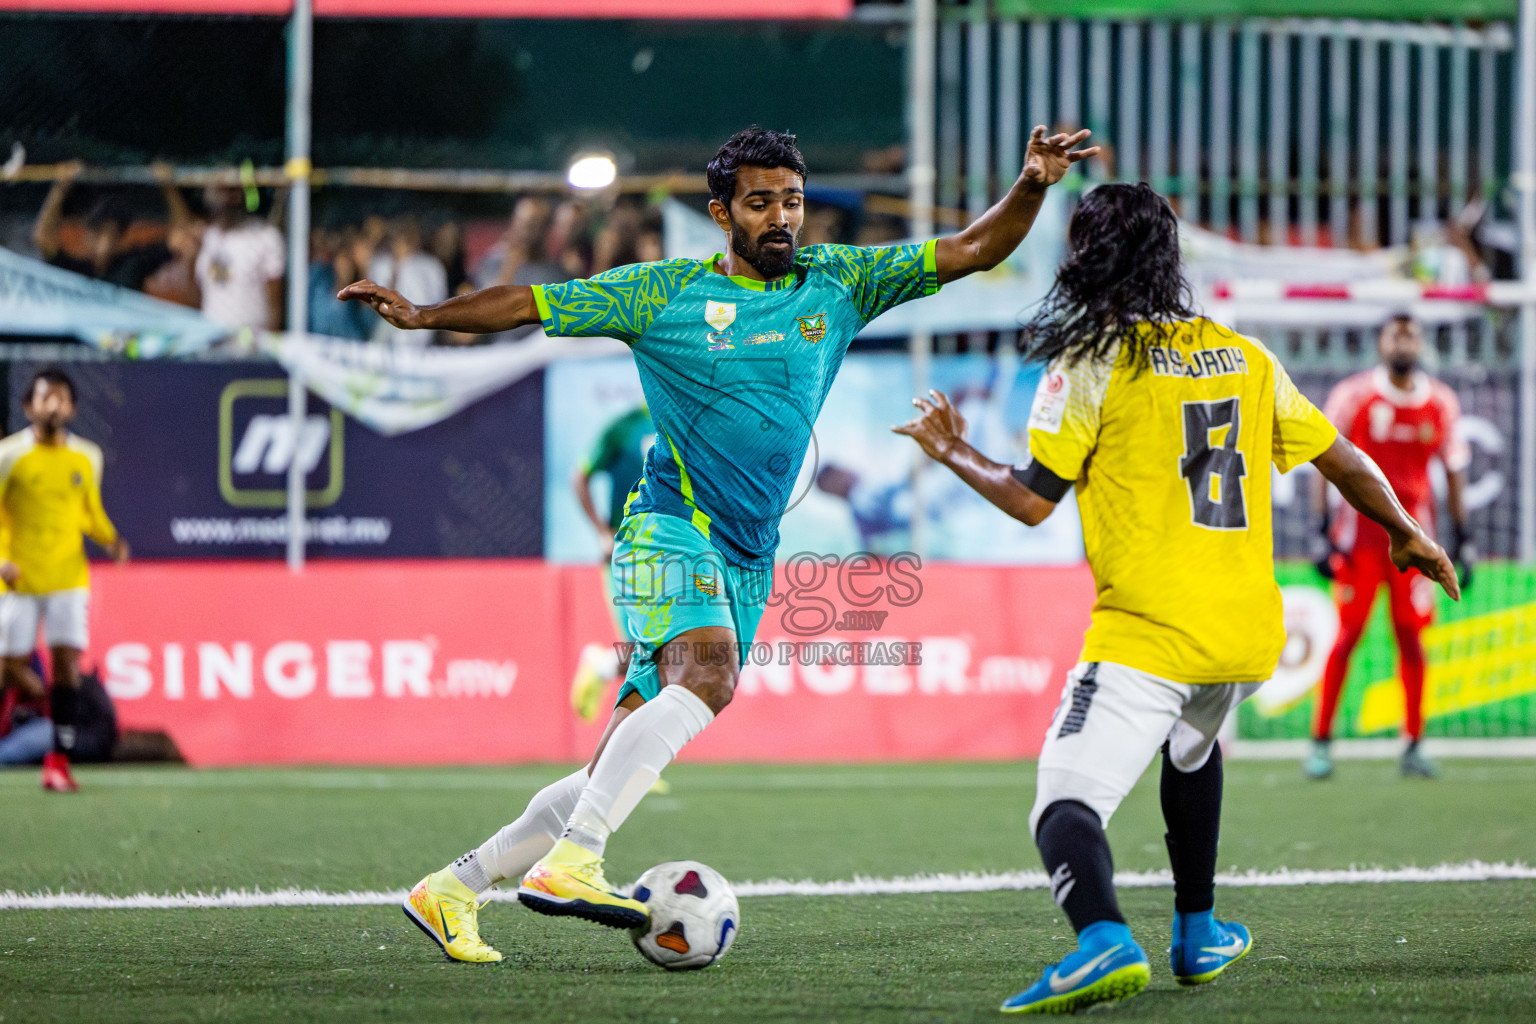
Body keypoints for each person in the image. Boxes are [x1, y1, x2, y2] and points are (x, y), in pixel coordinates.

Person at [341, 123, 1098, 963]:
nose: (782, 218)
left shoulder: (840, 283)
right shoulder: (662, 294)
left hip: (745, 555)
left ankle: (451, 888)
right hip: (667, 529)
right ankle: (574, 862)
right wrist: (424, 316)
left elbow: (969, 249)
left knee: (616, 759)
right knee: (709, 678)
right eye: (761, 202)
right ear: (721, 213)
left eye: (793, 202)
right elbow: (528, 303)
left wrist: (1032, 182)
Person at [892, 182, 1460, 1014]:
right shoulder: (1244, 354)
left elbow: (1031, 498)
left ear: (1086, 258)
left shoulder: (1091, 359)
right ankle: (1200, 930)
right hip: (1240, 633)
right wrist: (1406, 531)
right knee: (1193, 751)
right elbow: (1341, 458)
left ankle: (1101, 939)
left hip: (1149, 632)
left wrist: (953, 450)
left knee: (1063, 805)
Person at [1307, 314, 1472, 781]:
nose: (1403, 341)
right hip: (1359, 540)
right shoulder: (1354, 395)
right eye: (1394, 333)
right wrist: (1321, 530)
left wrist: (1465, 539)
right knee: (1347, 637)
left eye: (1411, 333)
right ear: (1380, 342)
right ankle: (1320, 740)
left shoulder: (1441, 402)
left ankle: (1414, 742)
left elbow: (1455, 468)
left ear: (1421, 343)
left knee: (1411, 637)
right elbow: (1324, 456)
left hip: (1416, 542)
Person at [0, 369, 130, 793]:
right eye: (44, 398)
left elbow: (89, 511)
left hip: (67, 577)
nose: (52, 405)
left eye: (60, 398)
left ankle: (57, 763)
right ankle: (38, 710)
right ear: (28, 407)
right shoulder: (9, 455)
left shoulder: (86, 456)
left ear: (72, 407)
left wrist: (110, 541)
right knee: (9, 666)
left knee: (67, 666)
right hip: (18, 577)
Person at [568, 403, 655, 723]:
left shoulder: (683, 418)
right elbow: (580, 476)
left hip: (671, 552)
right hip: (628, 550)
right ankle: (633, 766)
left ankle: (602, 666)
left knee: (666, 653)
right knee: (642, 653)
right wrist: (602, 532)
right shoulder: (624, 426)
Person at [32, 160, 179, 291]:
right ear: (87, 237)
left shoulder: (133, 264)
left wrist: (167, 186)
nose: (106, 242)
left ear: (120, 239)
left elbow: (182, 235)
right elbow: (43, 238)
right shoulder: (73, 269)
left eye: (113, 235)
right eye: (99, 233)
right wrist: (61, 187)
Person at [195, 184, 285, 330]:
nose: (222, 200)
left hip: (251, 340)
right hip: (211, 338)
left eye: (230, 191)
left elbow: (276, 302)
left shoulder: (265, 235)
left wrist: (269, 343)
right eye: (217, 192)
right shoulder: (208, 236)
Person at [367, 216, 448, 347]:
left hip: (421, 335)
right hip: (388, 335)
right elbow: (375, 301)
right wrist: (396, 268)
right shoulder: (381, 263)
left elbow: (439, 299)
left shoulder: (431, 265)